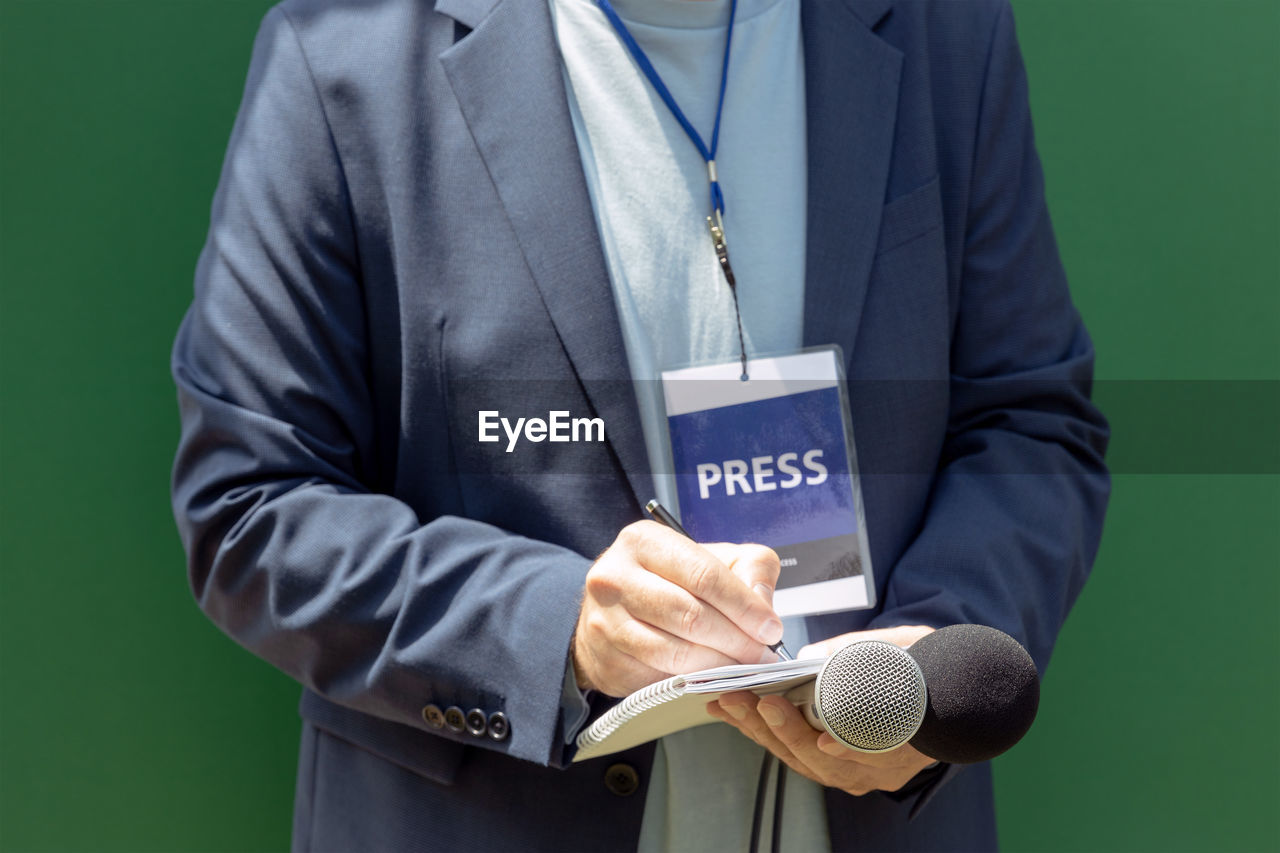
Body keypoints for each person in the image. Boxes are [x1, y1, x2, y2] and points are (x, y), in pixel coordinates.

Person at [171, 0, 1109, 850]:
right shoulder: (348, 54)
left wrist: (928, 665)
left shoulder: (947, 33)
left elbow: (1030, 422)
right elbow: (250, 503)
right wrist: (561, 628)